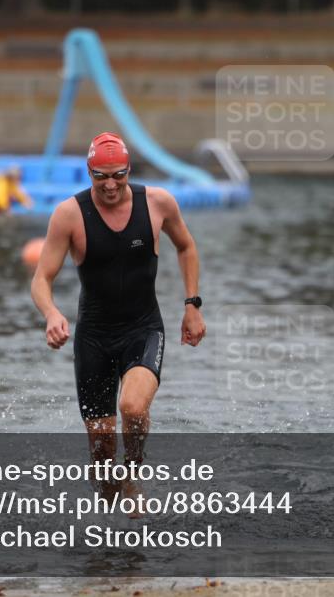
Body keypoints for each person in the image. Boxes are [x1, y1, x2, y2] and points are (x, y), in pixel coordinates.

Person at [30, 132, 206, 507]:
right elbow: (41, 278)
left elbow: (186, 246)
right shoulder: (69, 215)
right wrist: (51, 313)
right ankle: (111, 532)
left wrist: (192, 305)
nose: (110, 185)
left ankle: (134, 471)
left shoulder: (157, 203)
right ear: (89, 172)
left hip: (143, 329)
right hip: (93, 337)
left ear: (128, 170)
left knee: (133, 408)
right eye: (100, 176)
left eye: (118, 175)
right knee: (101, 446)